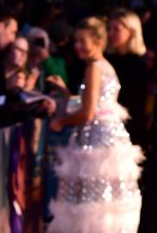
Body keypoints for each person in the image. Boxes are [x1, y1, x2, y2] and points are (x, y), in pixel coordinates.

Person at [48, 17, 143, 233]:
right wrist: (65, 92)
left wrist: (61, 121)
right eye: (76, 41)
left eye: (83, 41)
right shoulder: (106, 66)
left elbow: (87, 113)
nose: (77, 46)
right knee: (105, 205)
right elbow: (94, 104)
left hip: (96, 142)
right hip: (110, 139)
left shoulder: (94, 68)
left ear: (98, 41)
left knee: (91, 207)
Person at [106, 8, 151, 151]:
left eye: (116, 29)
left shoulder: (138, 64)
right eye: (109, 29)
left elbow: (136, 104)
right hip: (107, 127)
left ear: (131, 31)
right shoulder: (107, 60)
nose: (110, 34)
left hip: (129, 131)